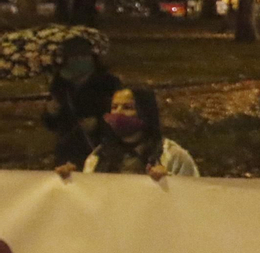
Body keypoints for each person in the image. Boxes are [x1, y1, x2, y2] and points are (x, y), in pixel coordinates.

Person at [59, 87, 199, 179]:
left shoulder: (172, 155)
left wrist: (170, 181)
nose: (118, 113)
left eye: (128, 107)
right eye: (114, 107)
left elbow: (192, 196)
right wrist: (71, 180)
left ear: (145, 113)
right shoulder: (98, 157)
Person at [42, 36, 121, 171]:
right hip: (68, 148)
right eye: (72, 57)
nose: (77, 61)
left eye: (81, 56)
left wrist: (98, 123)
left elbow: (120, 115)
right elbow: (52, 124)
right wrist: (51, 113)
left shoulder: (108, 83)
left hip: (99, 146)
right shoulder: (60, 83)